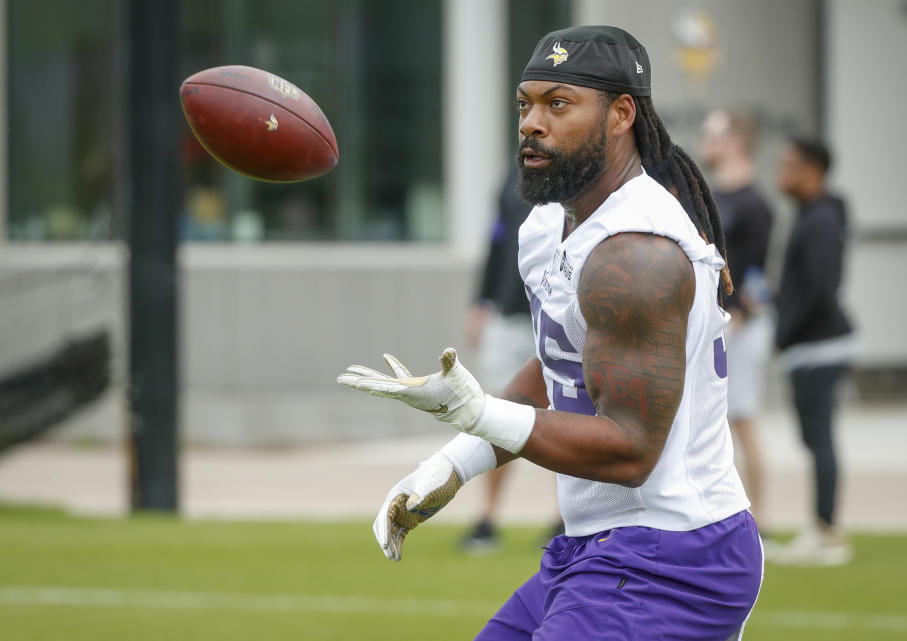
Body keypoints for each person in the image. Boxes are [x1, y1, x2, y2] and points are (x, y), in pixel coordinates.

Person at [338, 26, 762, 639]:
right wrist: (456, 461)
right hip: (601, 545)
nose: (531, 123)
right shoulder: (545, 227)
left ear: (621, 114)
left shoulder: (635, 253)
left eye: (558, 104)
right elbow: (564, 363)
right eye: (524, 104)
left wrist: (477, 413)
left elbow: (632, 450)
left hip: (674, 553)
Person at [459, 166, 558, 554]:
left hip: (555, 315)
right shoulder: (510, 177)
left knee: (564, 418)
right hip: (508, 315)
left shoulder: (581, 173)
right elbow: (497, 242)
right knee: (498, 418)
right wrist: (482, 302)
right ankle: (488, 518)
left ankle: (563, 519)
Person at [768, 137, 854, 566]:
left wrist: (786, 329)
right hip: (809, 345)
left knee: (819, 438)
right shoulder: (812, 214)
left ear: (813, 171)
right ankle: (823, 526)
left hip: (818, 346)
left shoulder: (820, 219)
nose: (781, 172)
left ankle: (827, 531)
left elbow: (823, 288)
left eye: (789, 164)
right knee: (815, 437)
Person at [699, 110, 774, 534]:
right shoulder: (715, 195)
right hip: (715, 322)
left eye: (713, 135)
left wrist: (741, 315)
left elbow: (760, 272)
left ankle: (757, 517)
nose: (705, 141)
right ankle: (723, 511)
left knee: (742, 420)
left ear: (734, 143)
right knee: (715, 422)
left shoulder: (754, 202)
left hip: (739, 325)